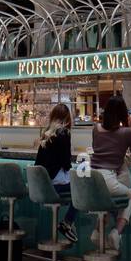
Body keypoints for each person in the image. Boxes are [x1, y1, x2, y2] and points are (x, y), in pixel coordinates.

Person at [90, 95, 131, 255]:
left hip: (91, 179)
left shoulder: (96, 129)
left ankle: (98, 232)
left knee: (106, 201)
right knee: (130, 196)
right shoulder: (126, 133)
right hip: (107, 178)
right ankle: (116, 232)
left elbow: (97, 148)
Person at [35, 103, 77, 243]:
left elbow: (38, 163)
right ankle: (67, 222)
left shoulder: (46, 133)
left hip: (43, 186)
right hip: (55, 186)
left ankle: (68, 225)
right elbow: (65, 163)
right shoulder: (64, 133)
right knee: (82, 190)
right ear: (67, 118)